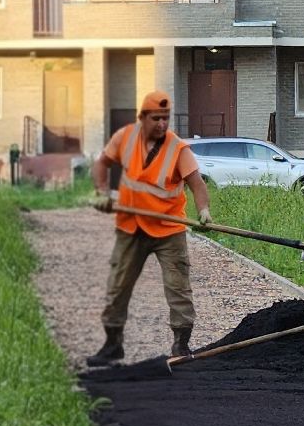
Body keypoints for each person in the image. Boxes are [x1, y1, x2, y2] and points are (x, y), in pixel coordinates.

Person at [87, 90, 214, 363]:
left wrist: (203, 211)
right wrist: (101, 192)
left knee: (178, 287)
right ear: (142, 118)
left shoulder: (178, 149)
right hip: (131, 227)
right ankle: (112, 345)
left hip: (169, 230)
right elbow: (101, 164)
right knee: (117, 285)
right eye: (156, 118)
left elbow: (197, 184)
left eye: (166, 119)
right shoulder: (124, 138)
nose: (162, 124)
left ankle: (181, 345)